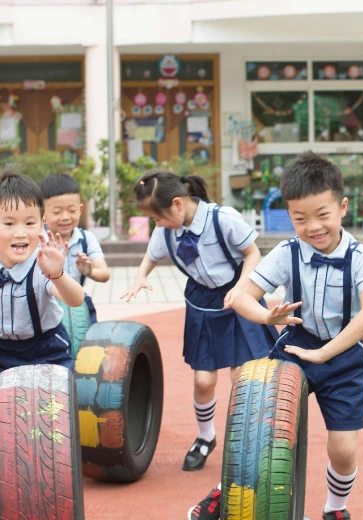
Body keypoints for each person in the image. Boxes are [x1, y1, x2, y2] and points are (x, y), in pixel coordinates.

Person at [188, 151, 363, 520]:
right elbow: (241, 297)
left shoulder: (360, 255)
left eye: (322, 215)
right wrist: (267, 315)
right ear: (289, 216)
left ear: (342, 207)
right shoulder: (287, 252)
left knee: (342, 448)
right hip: (296, 345)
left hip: (343, 356)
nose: (313, 227)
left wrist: (326, 354)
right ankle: (225, 495)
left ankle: (335, 509)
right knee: (260, 432)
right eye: (300, 218)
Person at [120, 170, 277, 472]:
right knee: (203, 380)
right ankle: (206, 437)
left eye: (158, 218)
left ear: (177, 204)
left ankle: (249, 441)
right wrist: (141, 276)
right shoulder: (166, 231)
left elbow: (253, 252)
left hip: (238, 295)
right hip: (202, 303)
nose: (158, 224)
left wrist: (241, 287)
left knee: (242, 377)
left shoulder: (223, 219)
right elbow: (152, 256)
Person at [0, 167, 84, 495]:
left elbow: (76, 298)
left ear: (42, 225)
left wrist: (58, 275)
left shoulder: (45, 264)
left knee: (51, 427)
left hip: (47, 352)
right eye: (8, 223)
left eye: (30, 223)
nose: (20, 233)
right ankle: (2, 498)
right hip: (0, 354)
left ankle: (51, 491)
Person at [39, 173, 110, 324]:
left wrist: (89, 271)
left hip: (77, 305)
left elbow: (104, 274)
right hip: (45, 306)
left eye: (72, 210)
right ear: (42, 213)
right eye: (57, 212)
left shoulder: (86, 238)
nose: (65, 217)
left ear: (80, 209)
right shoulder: (36, 241)